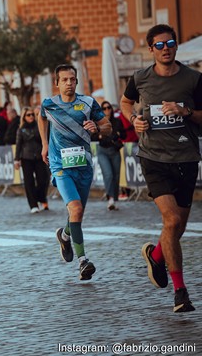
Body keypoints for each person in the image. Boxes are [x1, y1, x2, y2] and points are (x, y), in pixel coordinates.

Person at [120, 24, 202, 313]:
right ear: (151, 49)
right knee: (170, 221)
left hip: (186, 158)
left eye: (170, 43)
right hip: (154, 158)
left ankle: (156, 255)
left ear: (176, 46)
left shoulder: (193, 79)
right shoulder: (140, 77)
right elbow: (125, 101)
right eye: (159, 45)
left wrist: (186, 112)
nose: (165, 48)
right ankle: (181, 292)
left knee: (179, 225)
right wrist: (133, 119)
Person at [39, 64, 111, 281]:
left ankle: (64, 235)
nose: (69, 83)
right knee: (76, 208)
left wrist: (97, 129)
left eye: (73, 79)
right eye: (65, 79)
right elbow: (41, 117)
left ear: (76, 81)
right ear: (57, 83)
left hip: (84, 166)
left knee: (77, 214)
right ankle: (83, 261)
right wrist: (44, 144)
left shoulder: (88, 103)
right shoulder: (49, 104)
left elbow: (108, 127)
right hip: (60, 166)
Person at [14, 107, 50, 214]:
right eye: (28, 115)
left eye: (32, 115)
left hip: (39, 156)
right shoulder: (21, 129)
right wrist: (17, 159)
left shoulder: (39, 126)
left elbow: (45, 139)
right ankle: (33, 205)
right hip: (26, 158)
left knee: (43, 180)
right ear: (24, 117)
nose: (31, 117)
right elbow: (18, 144)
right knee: (29, 182)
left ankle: (41, 198)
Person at [94, 102, 126, 211]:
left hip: (115, 151)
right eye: (104, 108)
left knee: (116, 176)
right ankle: (110, 198)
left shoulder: (117, 122)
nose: (107, 110)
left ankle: (115, 199)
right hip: (102, 151)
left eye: (108, 108)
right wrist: (98, 134)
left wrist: (117, 134)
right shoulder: (98, 123)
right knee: (108, 174)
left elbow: (124, 134)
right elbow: (92, 136)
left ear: (111, 109)